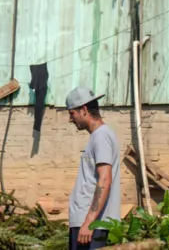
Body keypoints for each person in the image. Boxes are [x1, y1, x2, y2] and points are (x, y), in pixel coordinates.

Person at [66, 87, 121, 250]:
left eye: (72, 113)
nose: (70, 119)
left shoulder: (101, 136)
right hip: (88, 223)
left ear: (83, 110)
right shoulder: (99, 136)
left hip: (90, 225)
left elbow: (105, 179)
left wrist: (89, 221)